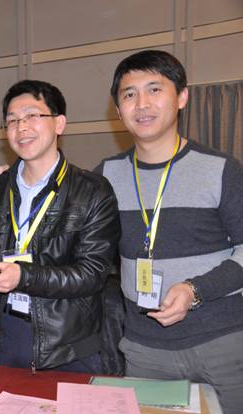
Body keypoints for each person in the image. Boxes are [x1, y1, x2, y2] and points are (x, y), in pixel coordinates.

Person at [95, 50, 243, 413]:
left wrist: (195, 290)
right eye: (129, 94)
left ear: (182, 97)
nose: (142, 104)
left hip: (223, 342)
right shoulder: (105, 176)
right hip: (145, 348)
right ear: (118, 110)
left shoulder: (221, 169)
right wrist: (10, 177)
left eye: (154, 89)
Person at [0, 80, 120, 373]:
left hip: (66, 345)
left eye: (32, 116)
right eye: (12, 120)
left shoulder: (92, 190)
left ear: (59, 124)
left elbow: (93, 274)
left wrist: (24, 276)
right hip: (6, 335)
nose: (21, 127)